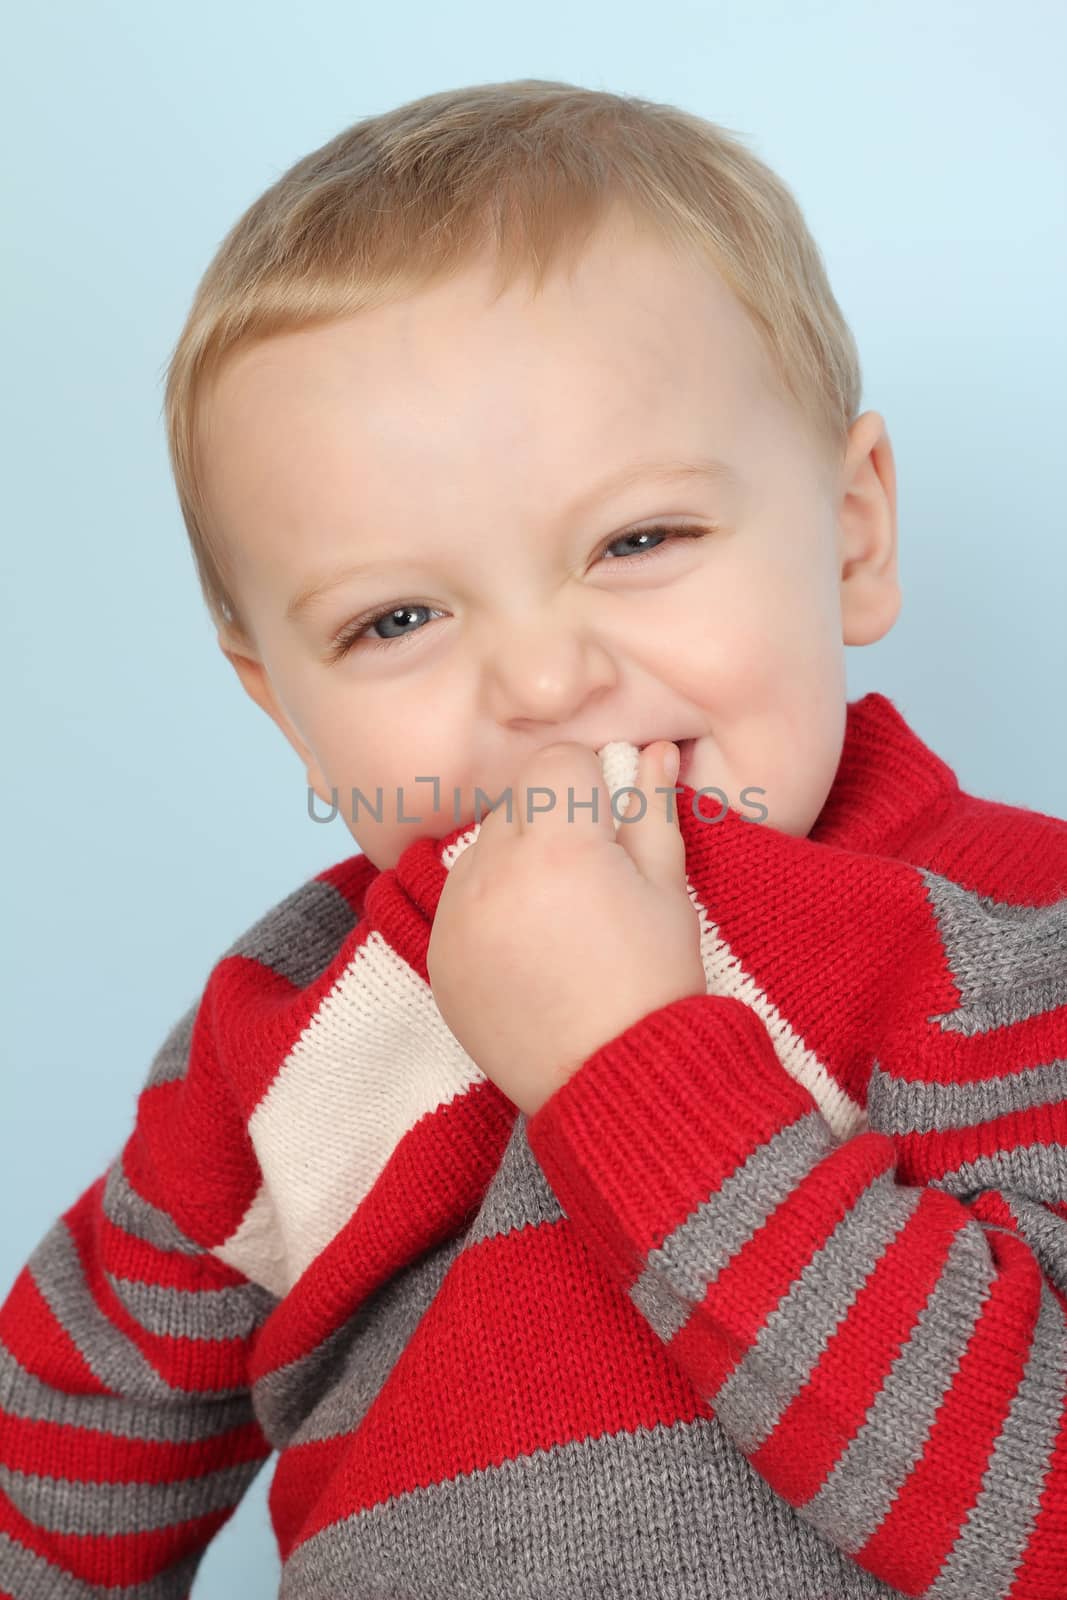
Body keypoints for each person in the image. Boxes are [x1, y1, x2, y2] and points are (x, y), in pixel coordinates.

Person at [2, 78, 1066, 1600]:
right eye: (397, 619)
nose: (547, 684)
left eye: (638, 542)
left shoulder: (1023, 941)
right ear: (283, 707)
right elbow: (48, 1481)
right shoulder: (287, 1025)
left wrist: (632, 1070)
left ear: (851, 534)